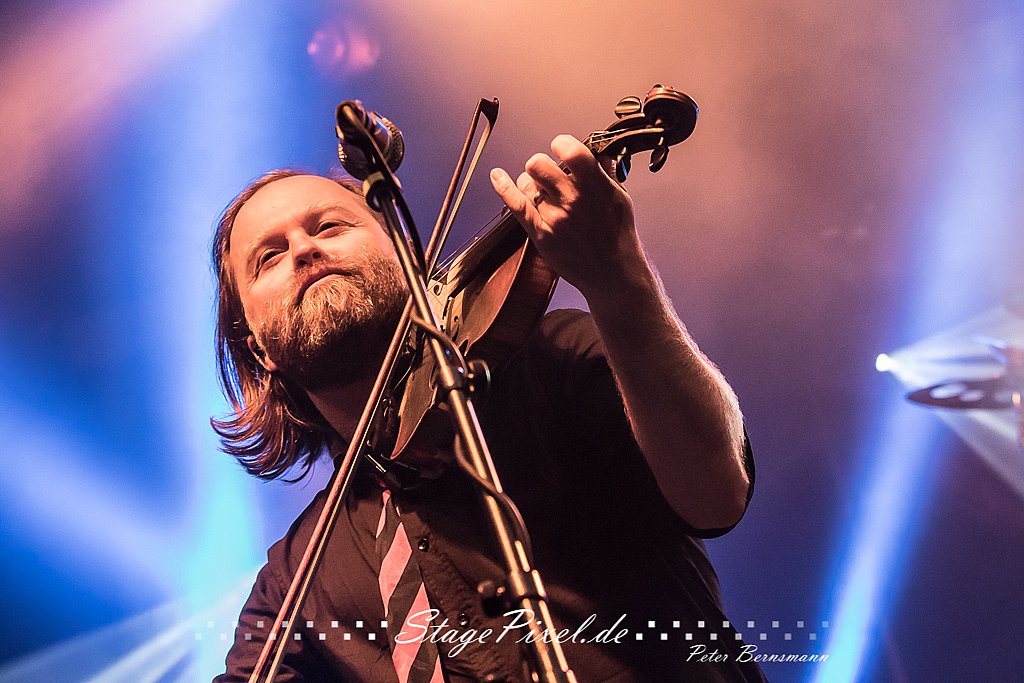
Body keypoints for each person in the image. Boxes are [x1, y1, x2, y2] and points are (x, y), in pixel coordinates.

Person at [211, 134, 766, 682]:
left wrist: (619, 281)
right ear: (258, 348)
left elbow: (717, 493)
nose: (304, 250)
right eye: (269, 257)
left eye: (330, 226)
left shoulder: (555, 361)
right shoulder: (295, 586)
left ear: (407, 260)